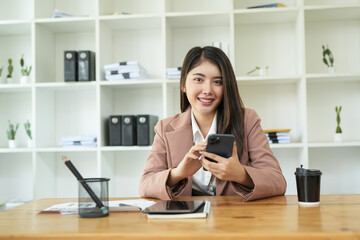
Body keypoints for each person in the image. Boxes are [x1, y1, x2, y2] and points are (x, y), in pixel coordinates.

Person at [138, 46, 286, 201]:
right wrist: (178, 173)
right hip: (185, 221)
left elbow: (278, 181)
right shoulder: (165, 128)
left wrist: (241, 174)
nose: (207, 90)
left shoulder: (247, 120)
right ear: (183, 84)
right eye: (198, 80)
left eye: (217, 82)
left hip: (235, 218)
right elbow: (145, 186)